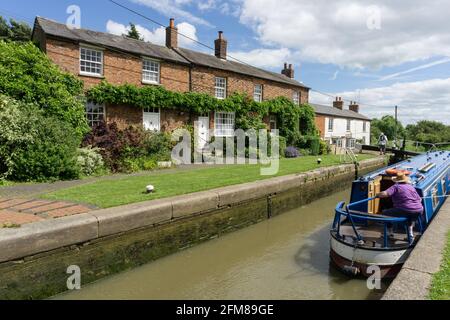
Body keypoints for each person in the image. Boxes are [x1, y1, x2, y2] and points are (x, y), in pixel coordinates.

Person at [376, 172, 423, 241]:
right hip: (419, 210)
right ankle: (410, 236)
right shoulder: (411, 187)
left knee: (385, 213)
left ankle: (389, 233)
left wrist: (377, 194)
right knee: (410, 218)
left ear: (397, 181)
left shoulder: (396, 186)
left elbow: (385, 194)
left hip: (406, 209)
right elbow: (420, 199)